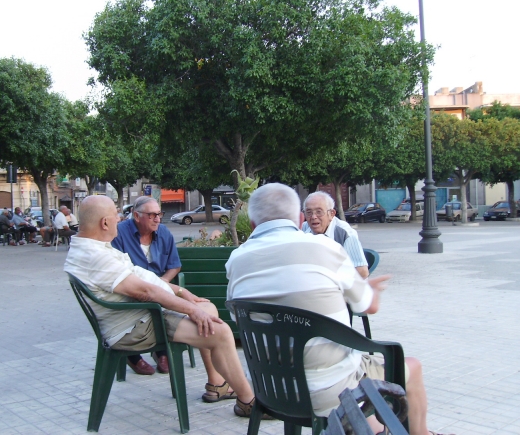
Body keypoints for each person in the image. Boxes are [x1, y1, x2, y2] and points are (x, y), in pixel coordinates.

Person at [226, 183, 438, 435]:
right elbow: (368, 307)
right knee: (412, 365)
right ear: (300, 218)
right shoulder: (324, 248)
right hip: (334, 392)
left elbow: (239, 317)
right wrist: (371, 290)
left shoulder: (236, 261)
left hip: (272, 390)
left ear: (252, 224)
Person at [64, 195, 259, 418]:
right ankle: (249, 401)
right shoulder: (95, 256)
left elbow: (143, 277)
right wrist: (189, 308)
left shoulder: (90, 247)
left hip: (138, 316)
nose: (120, 218)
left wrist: (183, 293)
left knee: (207, 310)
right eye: (116, 215)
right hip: (135, 326)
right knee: (220, 330)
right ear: (104, 223)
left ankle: (218, 385)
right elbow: (144, 291)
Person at [111, 196, 180, 377]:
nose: (158, 219)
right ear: (136, 215)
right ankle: (132, 355)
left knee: (163, 302)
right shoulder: (119, 233)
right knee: (136, 300)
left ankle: (161, 351)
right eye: (152, 215)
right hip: (132, 287)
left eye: (159, 214)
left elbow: (174, 265)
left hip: (159, 286)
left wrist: (162, 282)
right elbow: (116, 270)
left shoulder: (164, 232)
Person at [301, 191, 369, 278]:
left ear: (331, 214)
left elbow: (362, 272)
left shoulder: (345, 233)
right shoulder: (303, 229)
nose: (313, 217)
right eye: (309, 212)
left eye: (319, 212)